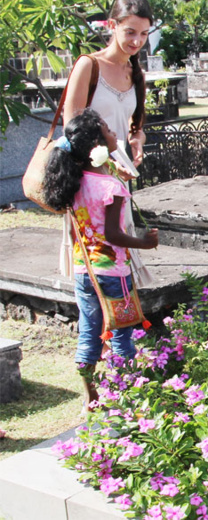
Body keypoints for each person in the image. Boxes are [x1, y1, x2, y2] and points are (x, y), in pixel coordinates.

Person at [42, 110, 159, 409]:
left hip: (84, 271)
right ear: (97, 144)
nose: (113, 133)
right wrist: (144, 244)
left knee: (89, 332)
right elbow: (112, 235)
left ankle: (91, 395)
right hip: (113, 273)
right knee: (121, 335)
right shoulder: (111, 187)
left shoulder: (73, 181)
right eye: (107, 129)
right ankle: (129, 397)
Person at [61, 0, 154, 285]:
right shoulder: (89, 65)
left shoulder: (135, 72)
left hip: (118, 174)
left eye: (144, 34)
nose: (136, 41)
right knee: (95, 255)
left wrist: (136, 141)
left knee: (118, 255)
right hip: (89, 176)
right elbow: (71, 128)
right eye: (130, 32)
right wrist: (107, 163)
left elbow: (136, 125)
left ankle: (123, 310)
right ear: (112, 26)